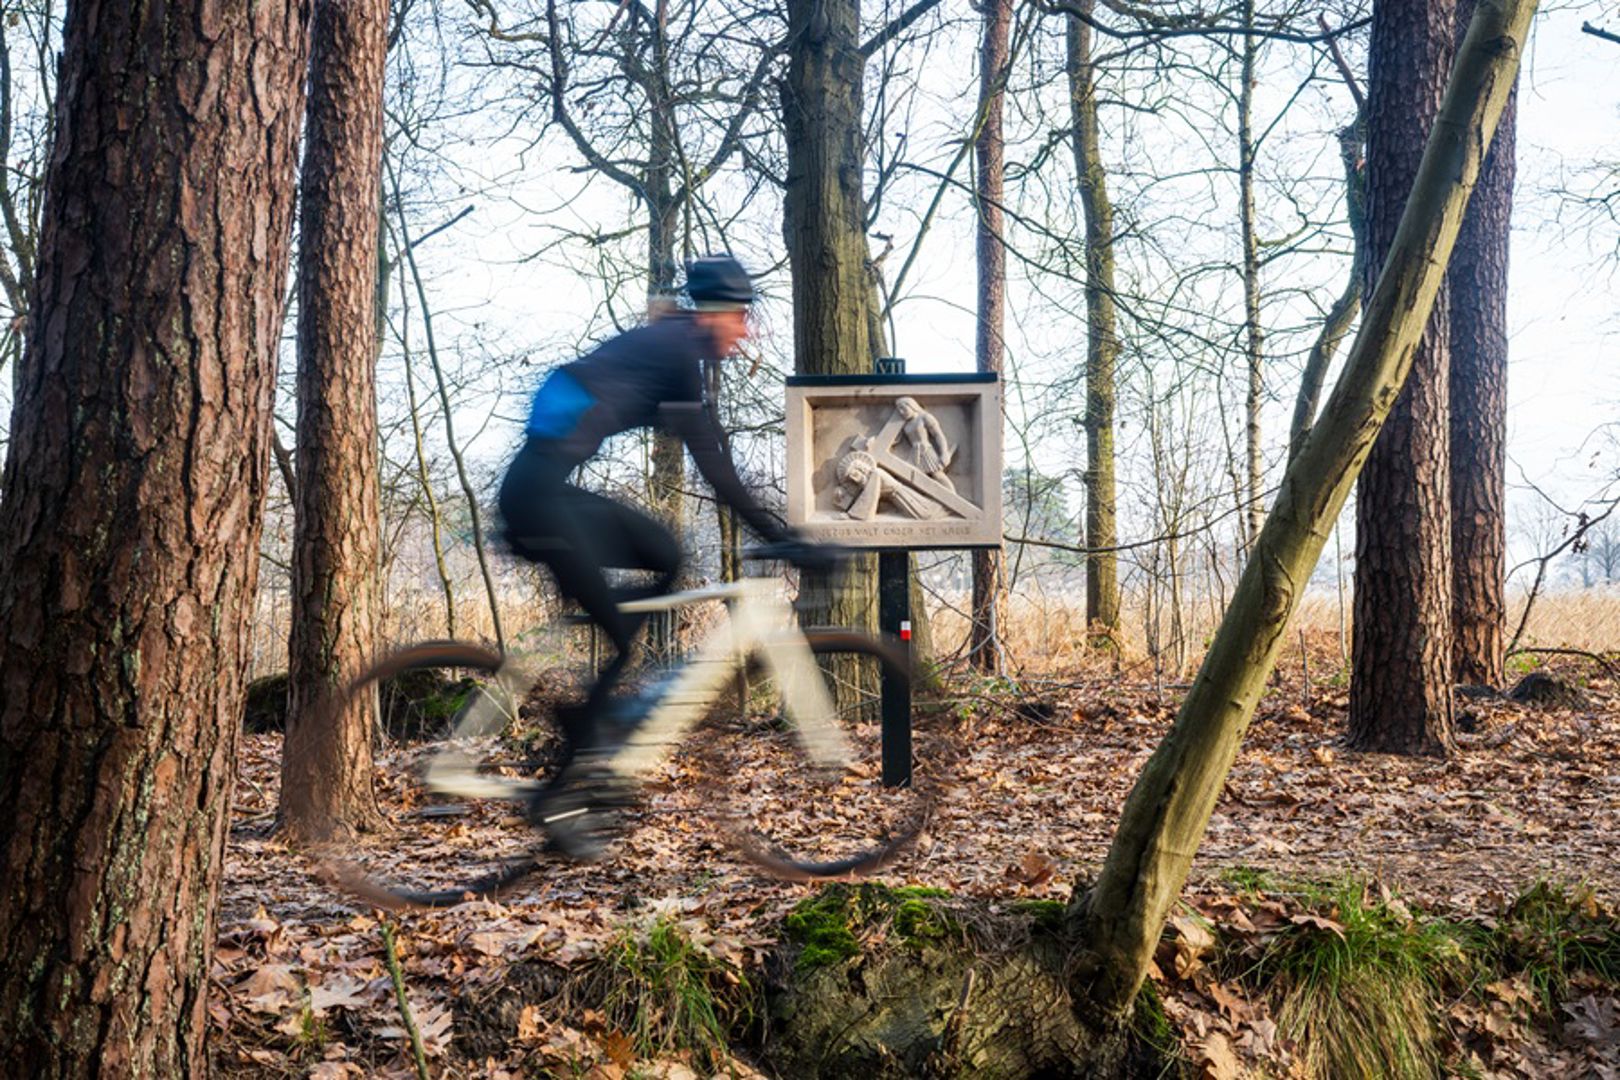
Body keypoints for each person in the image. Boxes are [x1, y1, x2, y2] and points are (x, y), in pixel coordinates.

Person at [498, 254, 829, 857]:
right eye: (741, 317)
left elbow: (714, 461)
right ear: (714, 312)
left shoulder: (671, 348)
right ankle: (564, 787)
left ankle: (595, 713)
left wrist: (776, 532)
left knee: (667, 554)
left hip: (544, 494)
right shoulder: (676, 352)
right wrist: (785, 537)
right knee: (623, 634)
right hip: (535, 501)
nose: (745, 332)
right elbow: (716, 469)